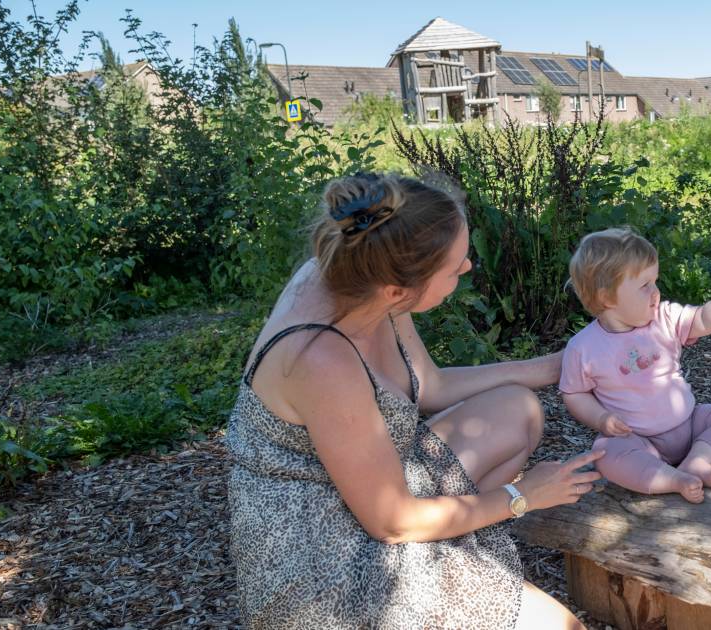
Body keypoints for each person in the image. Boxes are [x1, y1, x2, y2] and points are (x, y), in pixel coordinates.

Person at [225, 172, 603, 629]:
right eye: (455, 266)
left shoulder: (366, 278)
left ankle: (452, 542)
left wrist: (559, 364)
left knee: (517, 410)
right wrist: (522, 495)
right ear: (399, 290)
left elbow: (428, 385)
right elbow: (393, 521)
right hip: (328, 567)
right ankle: (449, 564)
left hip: (370, 488)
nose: (466, 269)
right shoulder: (322, 359)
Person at [558, 227, 711, 504]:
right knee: (608, 454)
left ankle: (698, 460)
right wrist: (600, 419)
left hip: (689, 422)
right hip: (638, 439)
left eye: (655, 281)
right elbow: (573, 393)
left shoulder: (664, 318)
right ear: (607, 298)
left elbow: (705, 316)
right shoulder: (583, 347)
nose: (655, 292)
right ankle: (671, 479)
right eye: (644, 285)